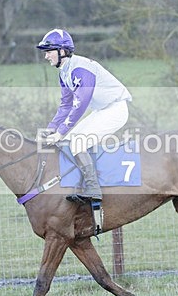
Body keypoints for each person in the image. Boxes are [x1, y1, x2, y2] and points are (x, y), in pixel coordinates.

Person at [35, 28, 132, 203]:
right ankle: (82, 184)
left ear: (62, 51)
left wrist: (61, 131)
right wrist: (50, 130)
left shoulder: (80, 69)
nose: (46, 56)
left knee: (77, 141)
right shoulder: (64, 72)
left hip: (116, 109)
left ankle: (94, 189)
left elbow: (80, 104)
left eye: (49, 52)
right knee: (68, 141)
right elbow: (65, 106)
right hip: (103, 110)